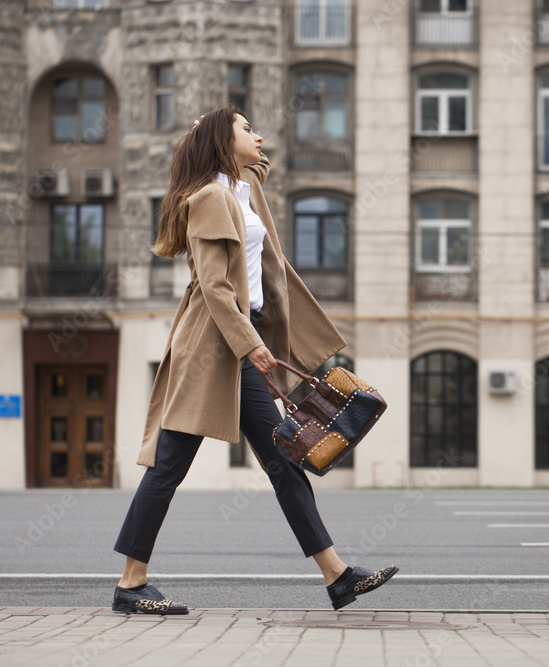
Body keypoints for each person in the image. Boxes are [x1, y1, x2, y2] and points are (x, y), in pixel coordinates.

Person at [111, 105, 398, 615]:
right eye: (248, 129)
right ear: (225, 138)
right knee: (169, 466)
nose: (260, 136)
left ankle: (337, 576)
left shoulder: (241, 189)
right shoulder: (206, 199)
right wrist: (252, 344)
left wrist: (211, 133)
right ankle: (131, 585)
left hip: (240, 348)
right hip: (208, 347)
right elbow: (217, 289)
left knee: (285, 459)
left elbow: (254, 168)